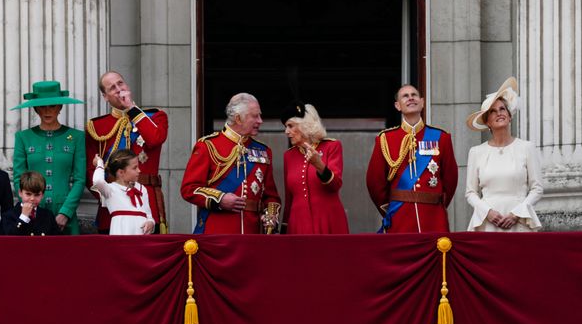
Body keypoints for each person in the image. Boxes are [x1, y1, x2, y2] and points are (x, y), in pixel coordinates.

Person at [181, 92, 281, 234]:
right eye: (255, 116)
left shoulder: (264, 151)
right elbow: (189, 189)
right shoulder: (208, 146)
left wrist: (271, 217)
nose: (260, 121)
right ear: (238, 118)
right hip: (218, 232)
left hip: (252, 234)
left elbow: (271, 197)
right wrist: (220, 199)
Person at [366, 85, 458, 233]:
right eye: (405, 96)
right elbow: (375, 182)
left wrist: (436, 204)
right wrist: (391, 209)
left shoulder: (441, 137)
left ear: (422, 102)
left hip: (433, 219)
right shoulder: (386, 139)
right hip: (400, 217)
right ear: (398, 106)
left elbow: (450, 179)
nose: (410, 98)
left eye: (414, 95)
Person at [85, 71, 168, 234]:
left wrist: (131, 108)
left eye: (120, 83)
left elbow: (155, 140)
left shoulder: (155, 117)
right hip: (112, 209)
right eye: (112, 88)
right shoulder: (96, 127)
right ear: (105, 97)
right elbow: (90, 171)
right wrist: (111, 198)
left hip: (145, 202)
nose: (118, 89)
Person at [465, 77, 543, 231]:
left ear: (510, 115)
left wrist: (517, 213)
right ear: (487, 122)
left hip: (519, 221)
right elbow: (470, 192)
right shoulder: (476, 152)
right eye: (492, 112)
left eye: (502, 109)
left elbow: (537, 188)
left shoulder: (527, 147)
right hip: (488, 223)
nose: (499, 113)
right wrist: (488, 212)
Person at [11, 80, 86, 235]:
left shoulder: (76, 137)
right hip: (33, 212)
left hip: (65, 213)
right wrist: (31, 209)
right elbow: (19, 177)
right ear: (35, 108)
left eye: (52, 106)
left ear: (60, 107)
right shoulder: (23, 137)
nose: (47, 111)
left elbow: (80, 179)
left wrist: (65, 212)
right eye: (42, 106)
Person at [280, 101, 349, 234]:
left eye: (290, 126)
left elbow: (335, 185)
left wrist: (319, 165)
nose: (286, 131)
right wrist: (284, 226)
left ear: (304, 125)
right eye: (285, 127)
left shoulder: (331, 147)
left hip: (328, 220)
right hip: (297, 224)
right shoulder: (288, 155)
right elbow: (289, 198)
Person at [90, 150, 155, 235]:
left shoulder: (142, 189)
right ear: (121, 172)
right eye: (134, 168)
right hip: (121, 237)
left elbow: (149, 216)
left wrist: (151, 222)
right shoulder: (110, 190)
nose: (139, 170)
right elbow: (98, 181)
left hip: (141, 239)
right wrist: (99, 163)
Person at [0, 171, 61, 236]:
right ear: (20, 193)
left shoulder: (48, 216)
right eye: (28, 194)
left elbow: (57, 240)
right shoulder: (8, 216)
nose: (32, 198)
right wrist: (23, 217)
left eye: (37, 195)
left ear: (42, 195)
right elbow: (7, 240)